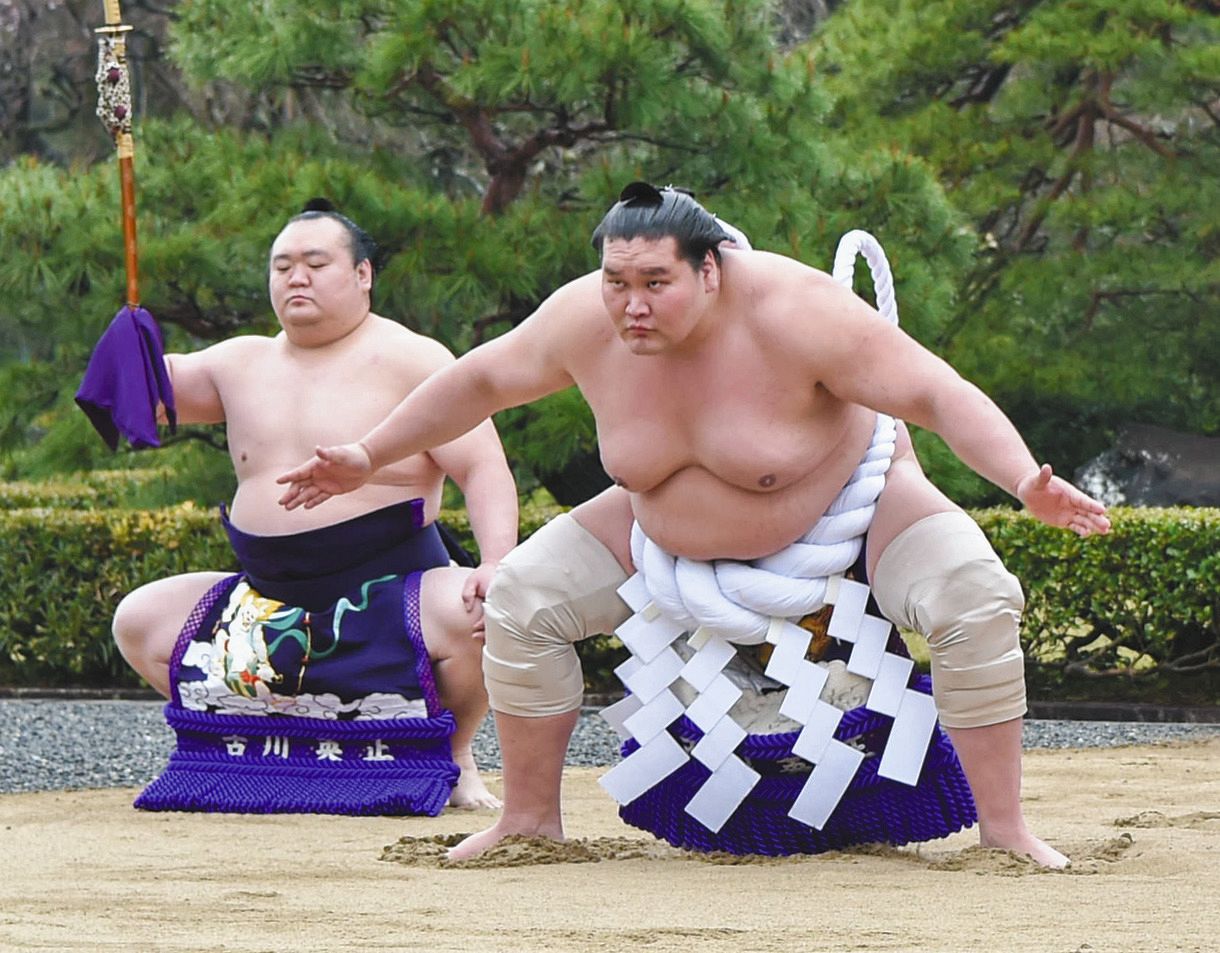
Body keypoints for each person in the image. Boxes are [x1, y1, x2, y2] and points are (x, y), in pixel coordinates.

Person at [276, 183, 1110, 863]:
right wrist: (367, 451)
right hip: (657, 527)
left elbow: (935, 392)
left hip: (853, 508)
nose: (630, 305)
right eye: (616, 282)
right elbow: (480, 381)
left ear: (712, 270)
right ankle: (529, 820)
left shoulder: (797, 311)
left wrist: (1019, 478)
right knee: (523, 598)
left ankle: (1004, 828)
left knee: (973, 592)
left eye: (655, 284)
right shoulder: (585, 319)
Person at [109, 204, 518, 809]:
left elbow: (482, 467)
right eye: (282, 266)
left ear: (363, 275)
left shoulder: (415, 360)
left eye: (315, 263)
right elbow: (142, 404)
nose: (295, 277)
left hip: (392, 586)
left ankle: (452, 754)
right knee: (140, 620)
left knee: (483, 617)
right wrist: (130, 344)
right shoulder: (236, 362)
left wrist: (496, 564)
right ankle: (262, 746)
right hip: (266, 597)